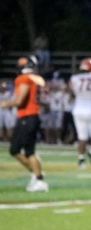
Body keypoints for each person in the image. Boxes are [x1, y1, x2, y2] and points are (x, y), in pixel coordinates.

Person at [1, 56, 48, 191]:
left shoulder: (23, 78)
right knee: (28, 151)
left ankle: (38, 177)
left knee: (15, 149)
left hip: (27, 117)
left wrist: (3, 103)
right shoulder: (38, 79)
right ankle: (36, 174)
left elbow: (19, 101)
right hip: (34, 116)